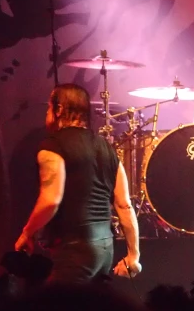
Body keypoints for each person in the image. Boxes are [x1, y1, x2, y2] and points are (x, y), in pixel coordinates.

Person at [14, 83, 141, 283]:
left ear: (59, 109)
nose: (47, 113)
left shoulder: (53, 145)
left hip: (76, 249)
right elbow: (124, 205)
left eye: (49, 107)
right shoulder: (105, 147)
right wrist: (133, 255)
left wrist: (27, 232)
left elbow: (51, 201)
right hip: (105, 248)